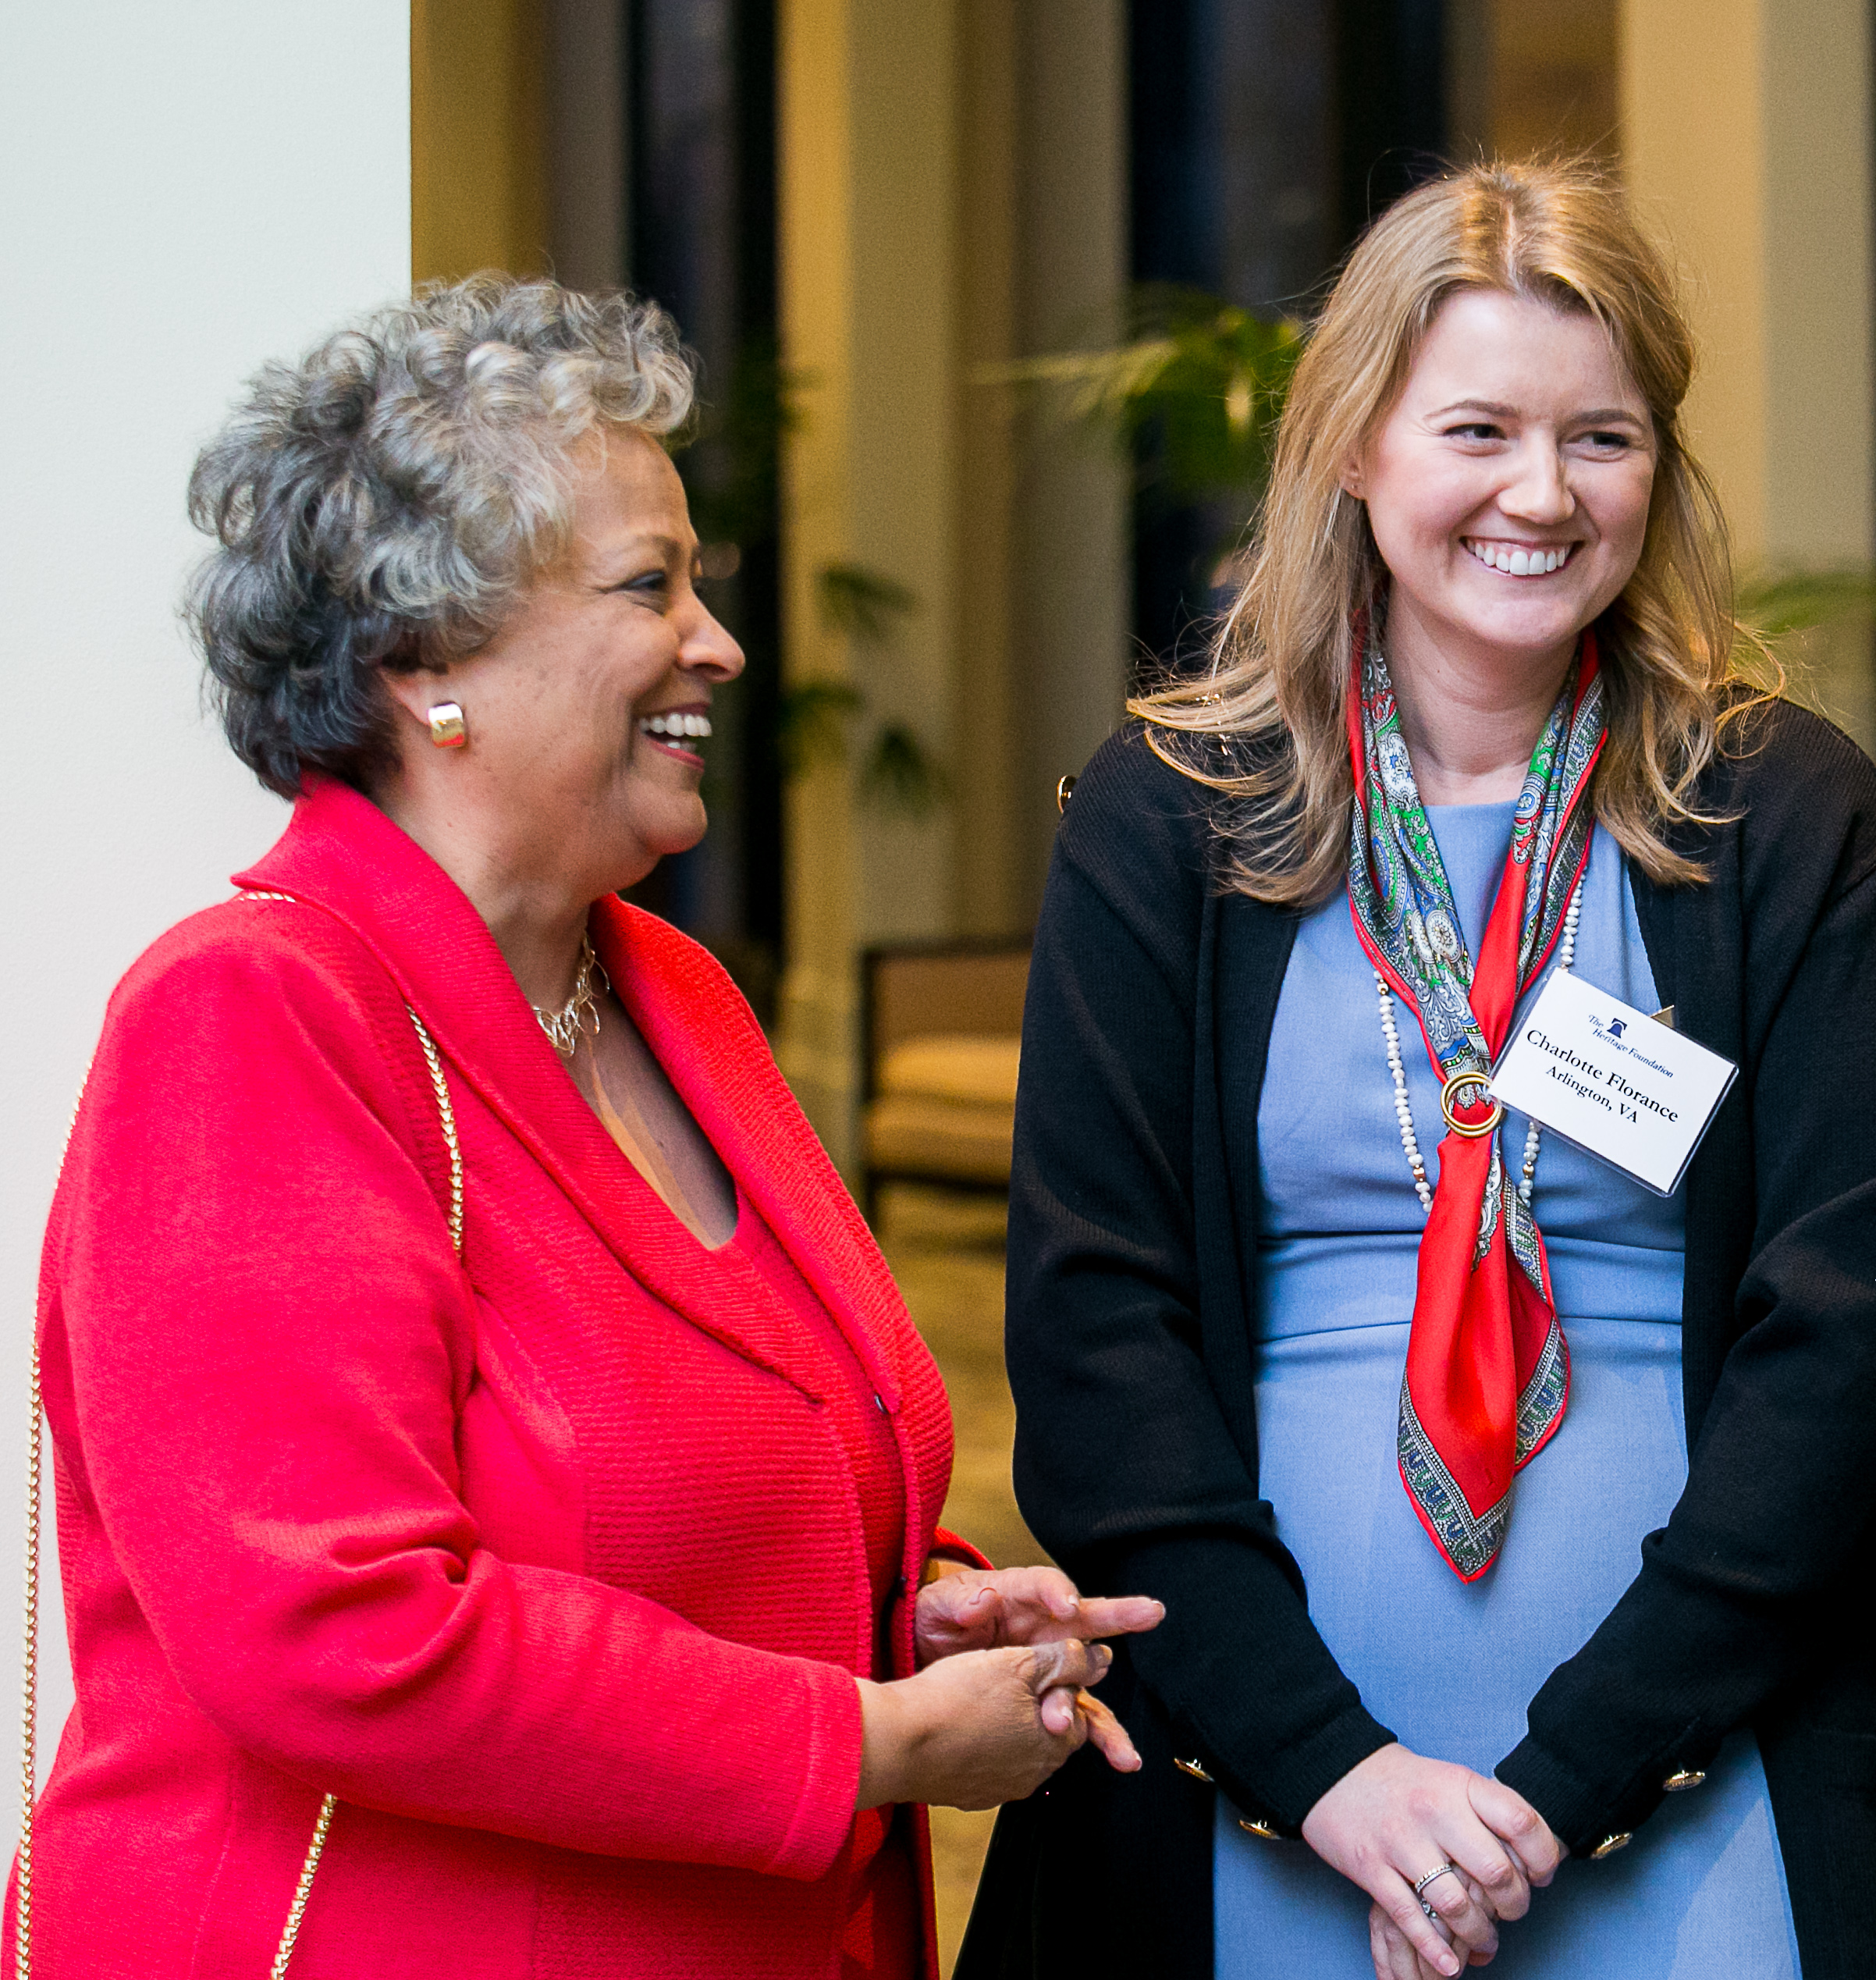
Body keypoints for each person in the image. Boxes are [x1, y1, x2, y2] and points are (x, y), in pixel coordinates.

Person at [20, 276, 1160, 1980]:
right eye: (651, 585)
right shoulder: (252, 1015)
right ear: (423, 664)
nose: (718, 641)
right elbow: (335, 1630)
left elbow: (727, 1464)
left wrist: (907, 1601)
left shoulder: (671, 993)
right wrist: (872, 1745)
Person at [971, 162, 1876, 1980]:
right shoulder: (1168, 817)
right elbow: (1096, 1336)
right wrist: (1331, 1774)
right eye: (1478, 428)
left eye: (1603, 437)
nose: (1540, 493)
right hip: (1258, 1773)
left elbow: (1848, 1323)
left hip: (1701, 1759)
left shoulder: (1783, 811)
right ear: (1351, 447)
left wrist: (1564, 1782)